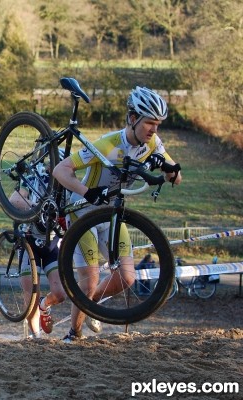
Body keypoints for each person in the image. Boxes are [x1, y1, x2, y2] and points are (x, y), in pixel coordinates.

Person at [52, 86, 182, 343]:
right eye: (150, 123)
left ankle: (90, 308)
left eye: (158, 124)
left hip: (112, 212)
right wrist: (87, 192)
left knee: (127, 277)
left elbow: (176, 178)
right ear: (133, 119)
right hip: (84, 211)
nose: (154, 129)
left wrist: (168, 168)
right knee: (88, 284)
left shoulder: (153, 143)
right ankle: (73, 335)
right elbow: (60, 170)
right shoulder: (108, 145)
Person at [9, 190, 100, 338]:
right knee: (31, 293)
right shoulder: (34, 175)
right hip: (29, 241)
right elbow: (14, 200)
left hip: (53, 243)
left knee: (60, 294)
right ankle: (36, 336)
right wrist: (39, 207)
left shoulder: (64, 186)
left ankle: (43, 306)